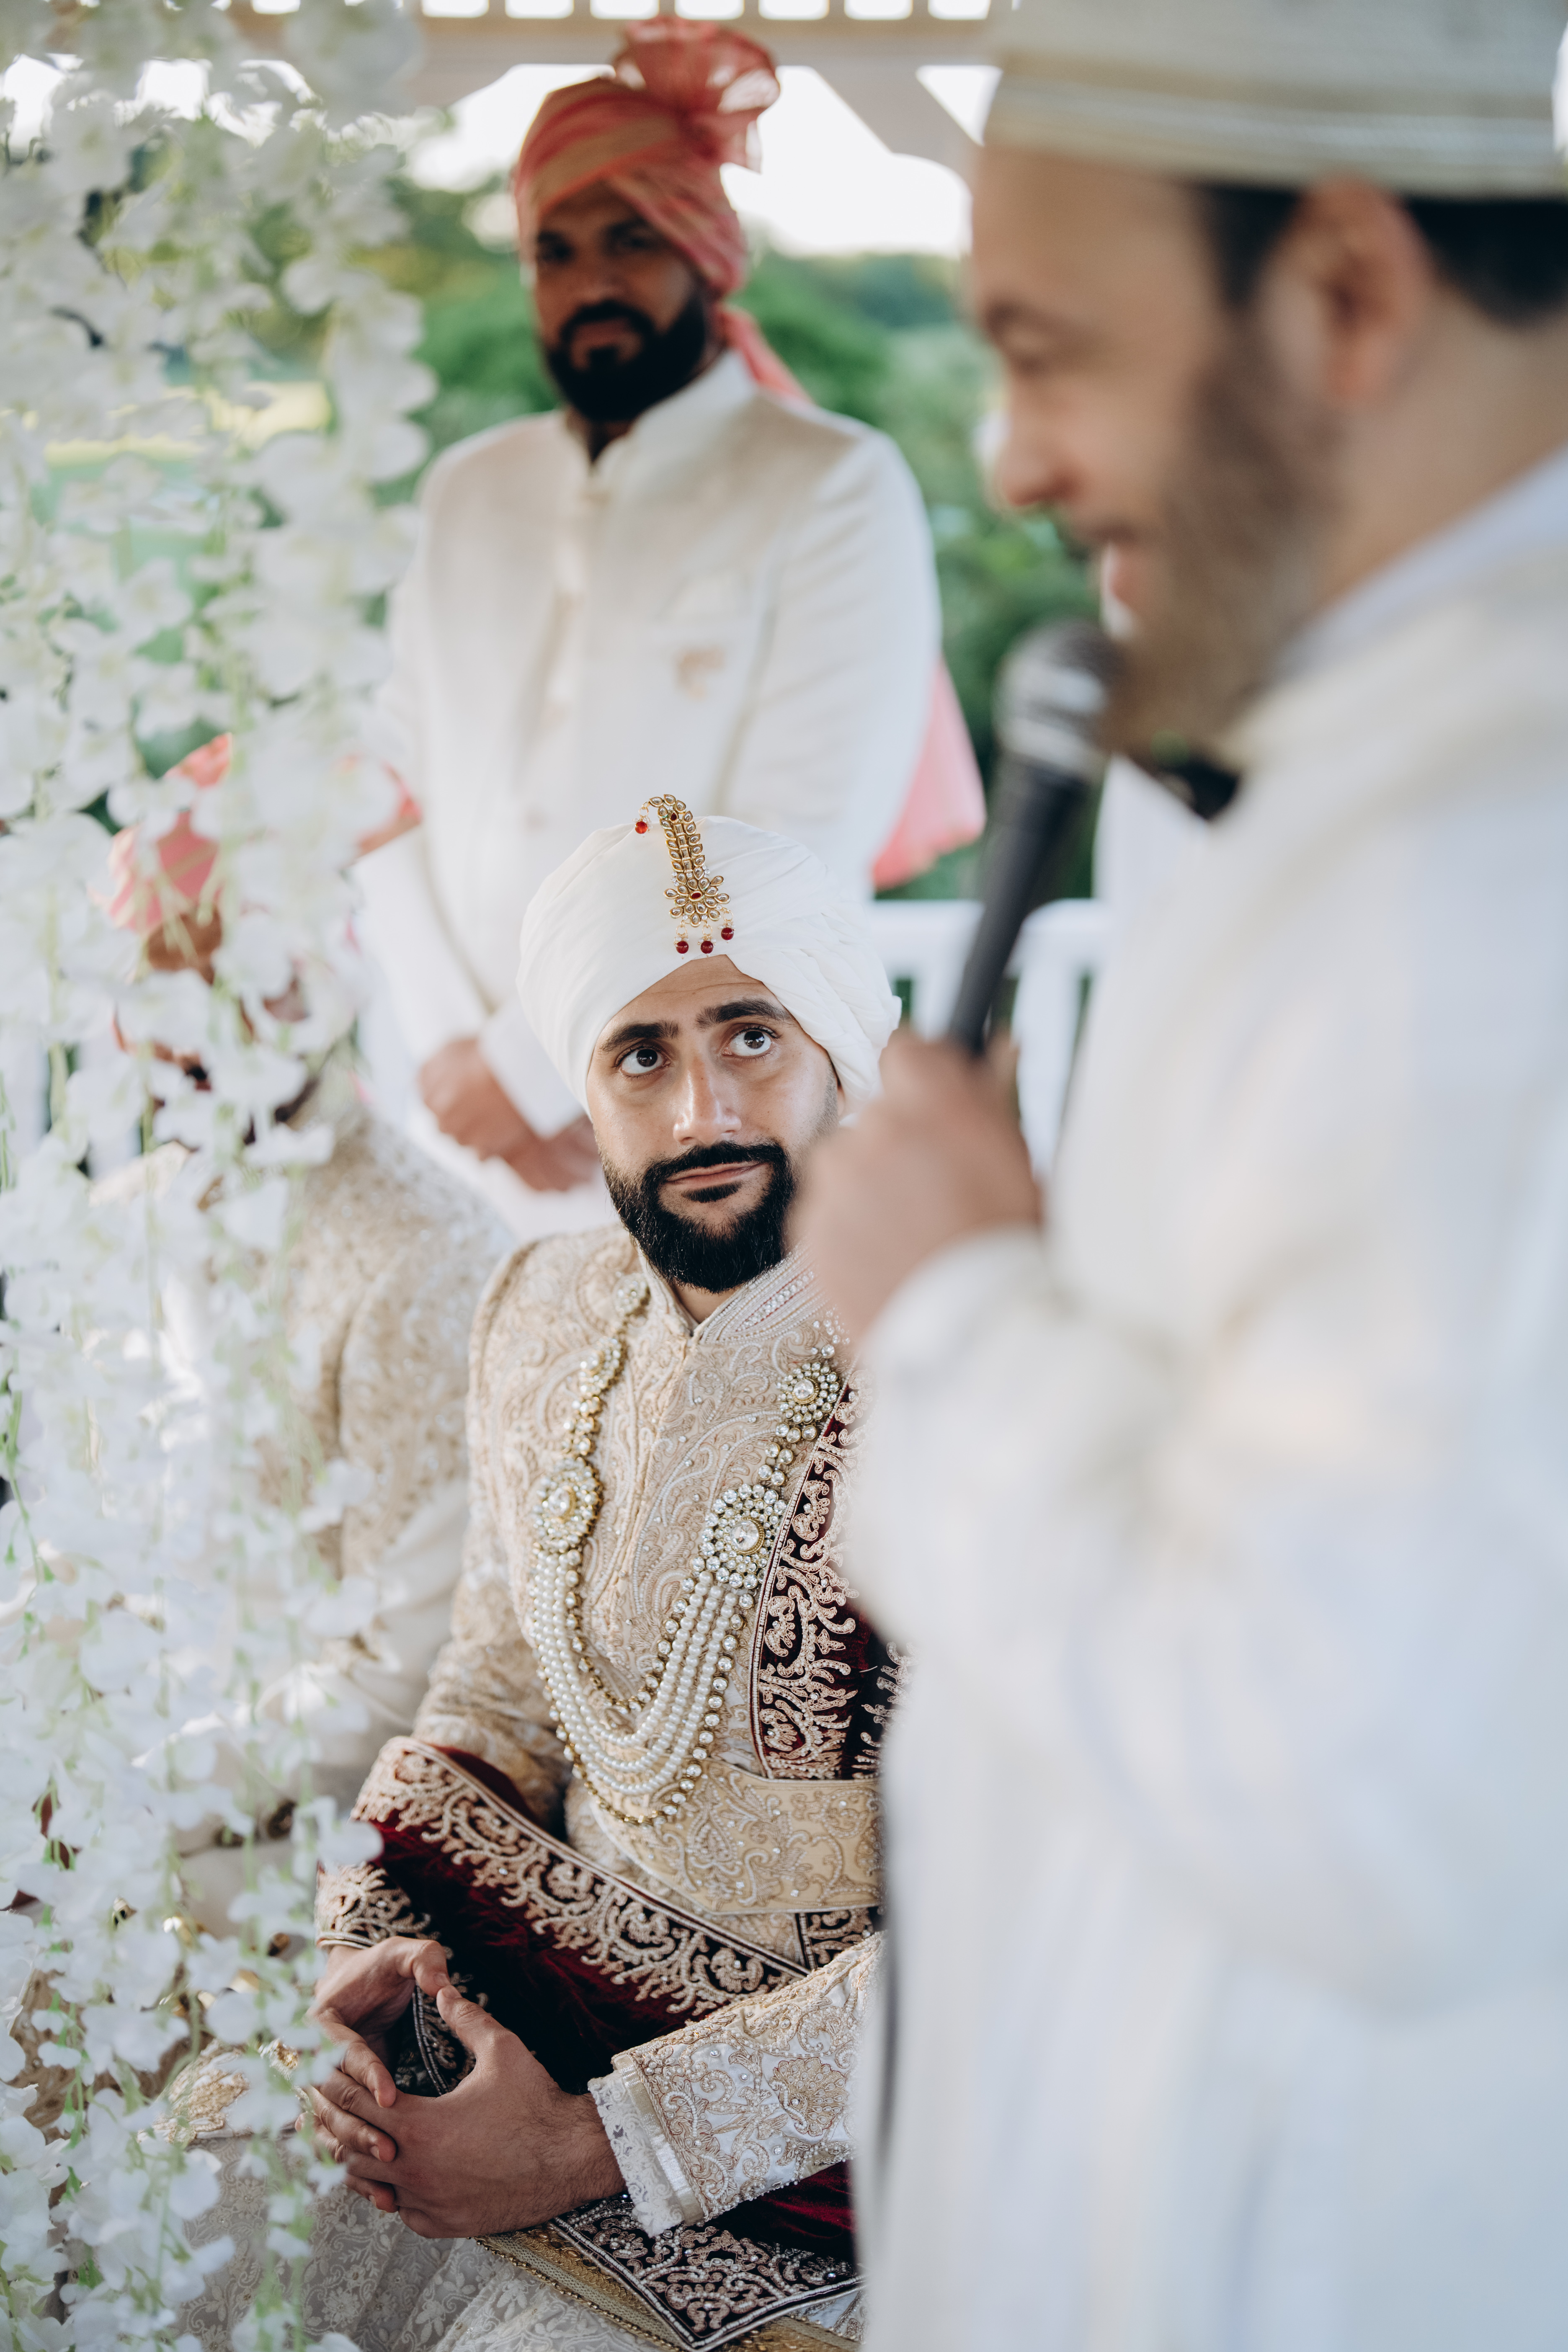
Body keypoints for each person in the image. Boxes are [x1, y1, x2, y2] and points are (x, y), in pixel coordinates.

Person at [795, 1, 1568, 2345]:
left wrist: (955, 1315)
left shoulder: (1493, 855)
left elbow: (1372, 1789)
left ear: (1344, 288)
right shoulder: (1373, 743)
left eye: (1048, 352)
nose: (1014, 457)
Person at [177, 801, 901, 2352]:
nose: (704, 1108)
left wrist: (589, 2146)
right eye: (640, 1054)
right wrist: (362, 1938)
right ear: (584, 1088)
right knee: (185, 2207)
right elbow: (491, 1695)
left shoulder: (965, 1385)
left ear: (842, 1053)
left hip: (811, 2150)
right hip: (519, 2008)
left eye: (752, 1035)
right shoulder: (539, 1314)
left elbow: (1010, 1933)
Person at [356, 19, 971, 1245]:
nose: (590, 283)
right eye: (556, 249)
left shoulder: (832, 484)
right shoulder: (469, 490)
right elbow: (390, 779)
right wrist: (453, 1060)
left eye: (630, 240)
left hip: (706, 1121)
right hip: (460, 1131)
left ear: (704, 249)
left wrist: (541, 1071)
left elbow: (801, 832)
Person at [99, 740, 510, 1934]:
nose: (189, 1036)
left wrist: (128, 1800)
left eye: (236, 984)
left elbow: (395, 1683)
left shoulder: (423, 1252)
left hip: (297, 1854)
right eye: (160, 992)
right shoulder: (123, 1219)